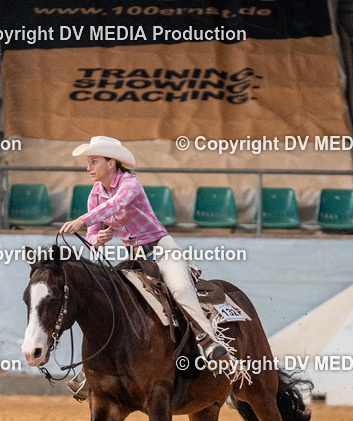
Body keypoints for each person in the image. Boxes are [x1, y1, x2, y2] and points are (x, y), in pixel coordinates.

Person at [59, 136, 232, 397]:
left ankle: (209, 342)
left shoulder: (130, 182)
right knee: (110, 300)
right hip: (135, 255)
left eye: (94, 161)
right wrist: (98, 238)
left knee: (181, 289)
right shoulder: (95, 194)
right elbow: (94, 236)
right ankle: (94, 370)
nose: (89, 168)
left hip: (161, 248)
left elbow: (115, 205)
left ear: (111, 162)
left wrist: (81, 220)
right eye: (88, 162)